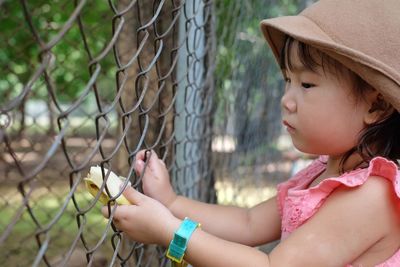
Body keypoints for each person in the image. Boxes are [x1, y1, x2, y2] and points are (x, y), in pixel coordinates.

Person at [101, 0, 400, 266]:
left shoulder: (372, 196)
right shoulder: (320, 173)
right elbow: (248, 223)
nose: (286, 100)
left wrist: (171, 233)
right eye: (287, 80)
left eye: (307, 84)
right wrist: (171, 202)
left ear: (376, 105)